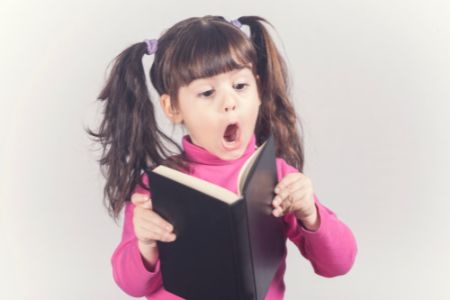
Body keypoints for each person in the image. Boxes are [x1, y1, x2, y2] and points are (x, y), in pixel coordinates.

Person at [88, 15, 357, 299]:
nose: (229, 103)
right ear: (173, 107)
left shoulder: (279, 177)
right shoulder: (155, 189)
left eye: (240, 86)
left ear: (258, 90)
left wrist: (310, 214)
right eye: (206, 92)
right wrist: (145, 244)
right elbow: (131, 285)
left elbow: (340, 263)